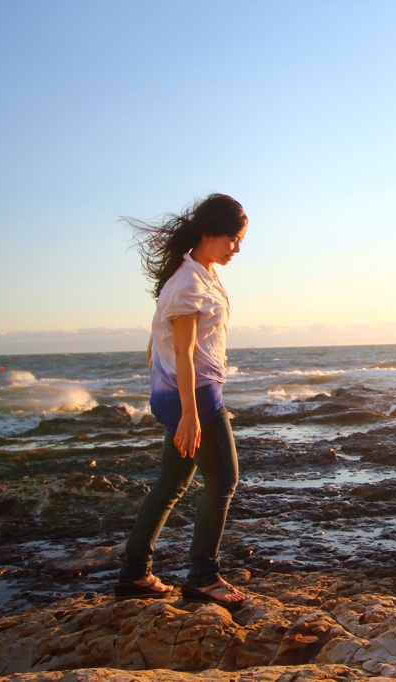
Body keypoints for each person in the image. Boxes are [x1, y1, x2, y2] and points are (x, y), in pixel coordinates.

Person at [115, 193, 249, 609]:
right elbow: (184, 352)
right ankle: (203, 577)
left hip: (188, 394)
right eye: (232, 238)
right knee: (224, 480)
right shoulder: (188, 283)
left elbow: (156, 343)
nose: (237, 248)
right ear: (210, 232)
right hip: (197, 398)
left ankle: (134, 573)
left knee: (171, 484)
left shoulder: (199, 273)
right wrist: (190, 414)